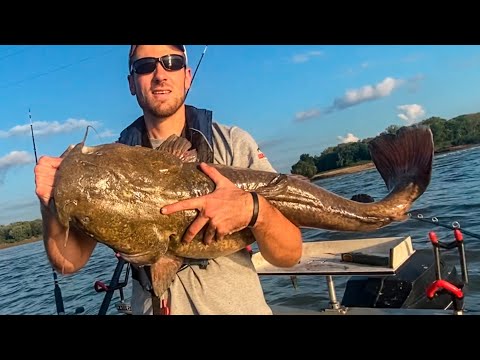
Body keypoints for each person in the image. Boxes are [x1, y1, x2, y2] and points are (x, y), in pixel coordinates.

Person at [34, 45, 303, 315]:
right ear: (131, 83)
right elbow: (68, 263)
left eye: (172, 62)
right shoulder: (108, 165)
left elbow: (289, 255)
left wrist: (255, 210)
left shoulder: (232, 143)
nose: (160, 74)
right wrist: (51, 205)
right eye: (145, 66)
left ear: (187, 76)